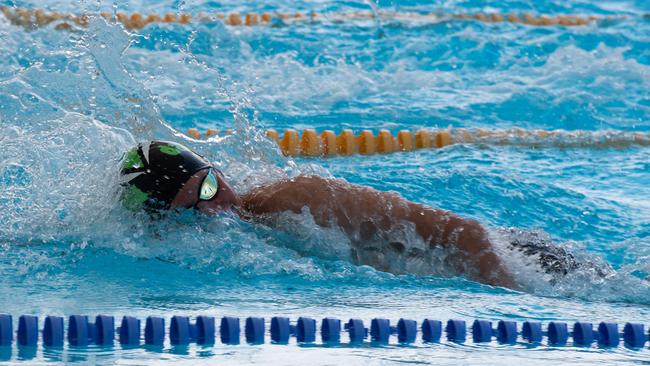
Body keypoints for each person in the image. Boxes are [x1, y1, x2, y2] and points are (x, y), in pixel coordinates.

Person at [119, 140, 597, 289]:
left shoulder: (298, 199)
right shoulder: (235, 239)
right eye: (191, 207)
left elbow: (466, 233)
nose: (214, 204)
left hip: (523, 263)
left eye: (209, 183)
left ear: (216, 169)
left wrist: (513, 303)